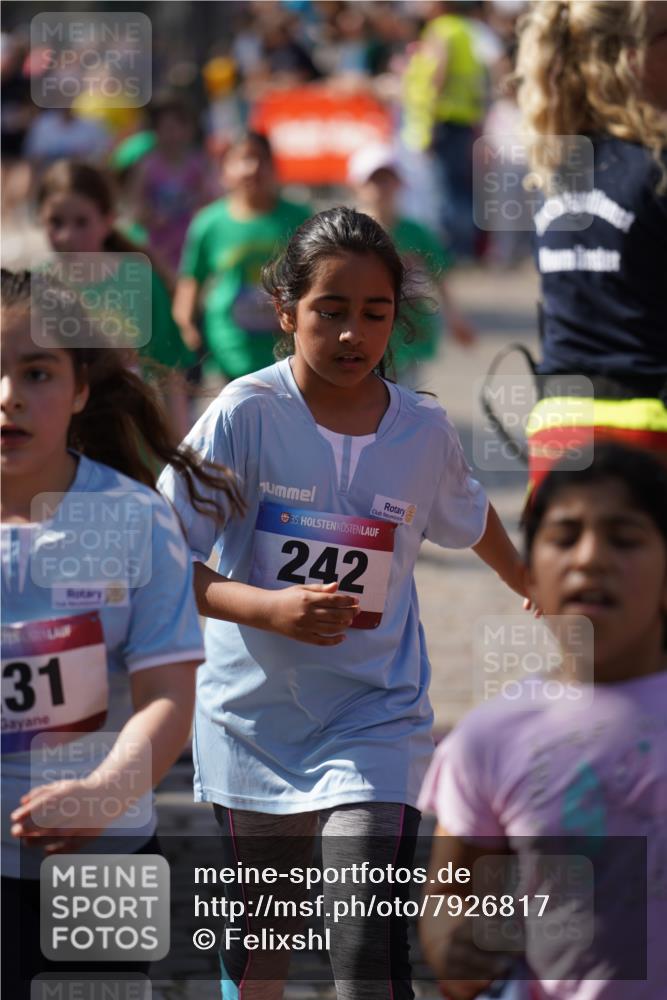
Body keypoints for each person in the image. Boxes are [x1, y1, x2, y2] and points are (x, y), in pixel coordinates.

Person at [159, 207, 532, 999]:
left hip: (374, 714)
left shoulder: (422, 429)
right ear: (284, 310)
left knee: (365, 941)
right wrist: (266, 609)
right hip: (252, 721)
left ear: (397, 319)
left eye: (374, 313)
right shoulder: (242, 416)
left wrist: (529, 581)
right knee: (264, 941)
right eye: (329, 310)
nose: (351, 334)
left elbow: (469, 515)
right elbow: (158, 563)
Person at [0, 269, 244, 998]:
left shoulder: (135, 520)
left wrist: (104, 793)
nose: (9, 395)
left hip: (106, 857)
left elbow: (167, 695)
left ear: (81, 389)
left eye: (37, 372)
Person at [419, 444, 667, 999]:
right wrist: (454, 946)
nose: (591, 558)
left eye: (625, 539)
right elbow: (448, 902)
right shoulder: (489, 740)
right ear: (529, 578)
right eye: (565, 537)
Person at [515, 0, 667, 493]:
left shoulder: (553, 170)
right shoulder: (657, 169)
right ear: (630, 56)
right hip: (648, 426)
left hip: (558, 428)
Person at [36, 159, 196, 441]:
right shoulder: (37, 286)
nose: (67, 236)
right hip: (61, 445)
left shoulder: (138, 279)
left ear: (108, 221)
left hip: (129, 443)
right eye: (56, 222)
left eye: (82, 222)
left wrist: (180, 451)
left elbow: (171, 373)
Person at [173, 131, 311, 384]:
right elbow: (191, 280)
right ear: (224, 170)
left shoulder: (300, 219)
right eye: (242, 159)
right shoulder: (210, 224)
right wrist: (186, 327)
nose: (252, 168)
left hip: (288, 355)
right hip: (227, 352)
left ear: (273, 166)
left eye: (260, 159)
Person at [348, 142, 477, 387]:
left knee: (404, 398)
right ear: (356, 185)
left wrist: (454, 317)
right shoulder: (347, 233)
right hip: (364, 335)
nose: (381, 188)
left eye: (387, 179)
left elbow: (439, 275)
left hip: (408, 335)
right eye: (374, 180)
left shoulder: (417, 232)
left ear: (399, 183)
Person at [405, 1, 487, 259]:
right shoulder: (464, 30)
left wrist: (428, 121)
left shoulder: (440, 30)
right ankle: (465, 248)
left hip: (444, 119)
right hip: (462, 119)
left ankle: (454, 252)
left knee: (447, 191)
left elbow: (438, 74)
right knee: (459, 188)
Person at [131, 92, 219, 274]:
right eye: (165, 128)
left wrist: (197, 213)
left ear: (189, 129)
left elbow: (211, 202)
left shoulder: (199, 165)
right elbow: (136, 208)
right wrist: (151, 217)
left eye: (177, 127)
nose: (171, 134)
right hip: (159, 248)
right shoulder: (147, 167)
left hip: (192, 246)